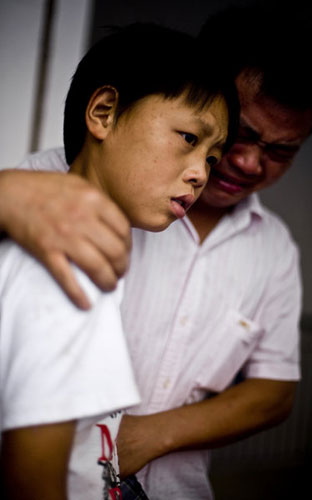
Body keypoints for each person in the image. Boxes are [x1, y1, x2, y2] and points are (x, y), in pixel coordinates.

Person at [0, 3, 312, 499]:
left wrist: (143, 436)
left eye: (281, 151)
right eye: (240, 134)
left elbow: (276, 392)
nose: (242, 163)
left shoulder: (275, 249)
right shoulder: (62, 215)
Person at [0, 21, 238, 500]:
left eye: (212, 158)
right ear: (104, 112)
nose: (199, 174)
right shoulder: (67, 269)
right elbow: (32, 483)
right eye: (190, 138)